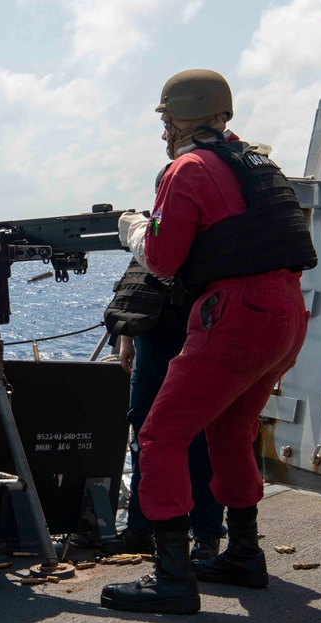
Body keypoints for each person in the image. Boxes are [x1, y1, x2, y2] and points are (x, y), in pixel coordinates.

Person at [100, 69, 317, 615]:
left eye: (166, 120)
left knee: (160, 437)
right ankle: (243, 554)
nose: (164, 131)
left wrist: (133, 229)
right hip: (288, 312)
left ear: (177, 119)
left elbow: (165, 259)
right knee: (229, 430)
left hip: (237, 314)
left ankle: (172, 577)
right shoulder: (258, 163)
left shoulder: (187, 168)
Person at [100, 181, 225, 562]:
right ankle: (141, 528)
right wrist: (127, 339)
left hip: (195, 343)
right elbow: (140, 281)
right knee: (144, 439)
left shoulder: (214, 234)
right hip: (154, 342)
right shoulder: (155, 229)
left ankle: (204, 537)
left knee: (200, 444)